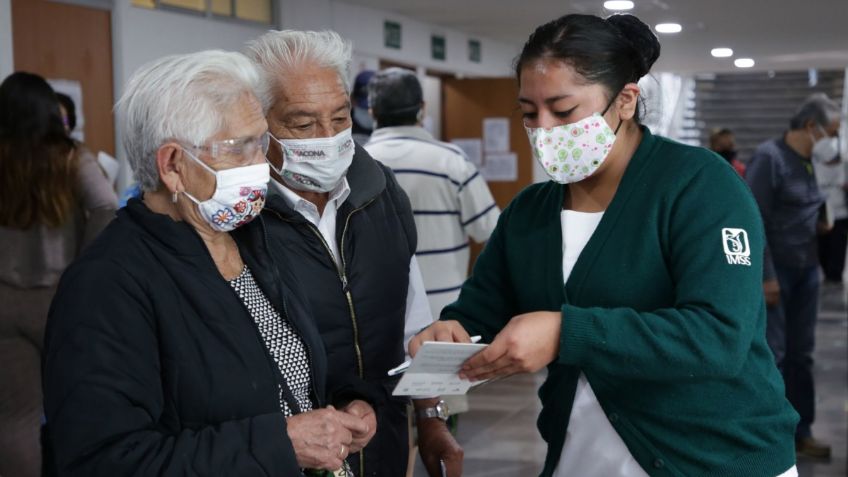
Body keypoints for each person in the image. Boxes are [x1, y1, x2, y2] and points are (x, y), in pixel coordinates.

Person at [411, 13, 799, 477]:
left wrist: (563, 332)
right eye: (530, 113)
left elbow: (719, 338)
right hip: (583, 457)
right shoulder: (530, 213)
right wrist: (450, 332)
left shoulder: (699, 186)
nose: (545, 129)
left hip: (715, 458)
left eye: (564, 109)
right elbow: (480, 311)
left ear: (625, 101)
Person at [42, 50, 375, 476]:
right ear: (173, 166)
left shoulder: (254, 239)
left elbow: (284, 368)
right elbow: (102, 460)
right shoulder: (106, 286)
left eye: (262, 142)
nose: (261, 165)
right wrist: (279, 444)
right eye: (239, 150)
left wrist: (349, 402)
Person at [247, 30, 463, 477]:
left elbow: (413, 321)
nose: (327, 137)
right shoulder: (242, 220)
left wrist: (429, 416)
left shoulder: (380, 192)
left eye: (340, 117)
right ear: (258, 122)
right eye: (303, 125)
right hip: (288, 454)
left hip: (382, 438)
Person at [0, 72, 117, 477]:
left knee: (16, 419)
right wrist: (85, 265)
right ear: (52, 111)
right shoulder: (70, 156)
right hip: (58, 300)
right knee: (75, 406)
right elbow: (106, 205)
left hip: (4, 302)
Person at [746, 93, 841, 459]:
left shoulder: (811, 161)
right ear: (809, 126)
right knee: (776, 353)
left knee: (802, 355)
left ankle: (802, 430)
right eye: (830, 132)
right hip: (778, 270)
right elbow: (755, 220)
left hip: (806, 268)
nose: (832, 139)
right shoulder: (770, 159)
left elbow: (809, 201)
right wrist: (765, 275)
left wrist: (820, 220)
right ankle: (769, 434)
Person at [365, 67, 500, 322]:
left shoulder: (355, 165)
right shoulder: (451, 162)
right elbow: (492, 232)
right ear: (422, 108)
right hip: (445, 309)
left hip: (377, 312)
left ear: (372, 112)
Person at [812, 133, 847, 283]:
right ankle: (828, 271)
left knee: (838, 244)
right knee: (823, 244)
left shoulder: (844, 165)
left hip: (840, 211)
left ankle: (835, 273)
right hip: (820, 210)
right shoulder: (814, 163)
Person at [351, 69, 375, 144]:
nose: (369, 112)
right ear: (352, 100)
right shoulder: (342, 129)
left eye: (374, 109)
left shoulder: (387, 130)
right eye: (364, 108)